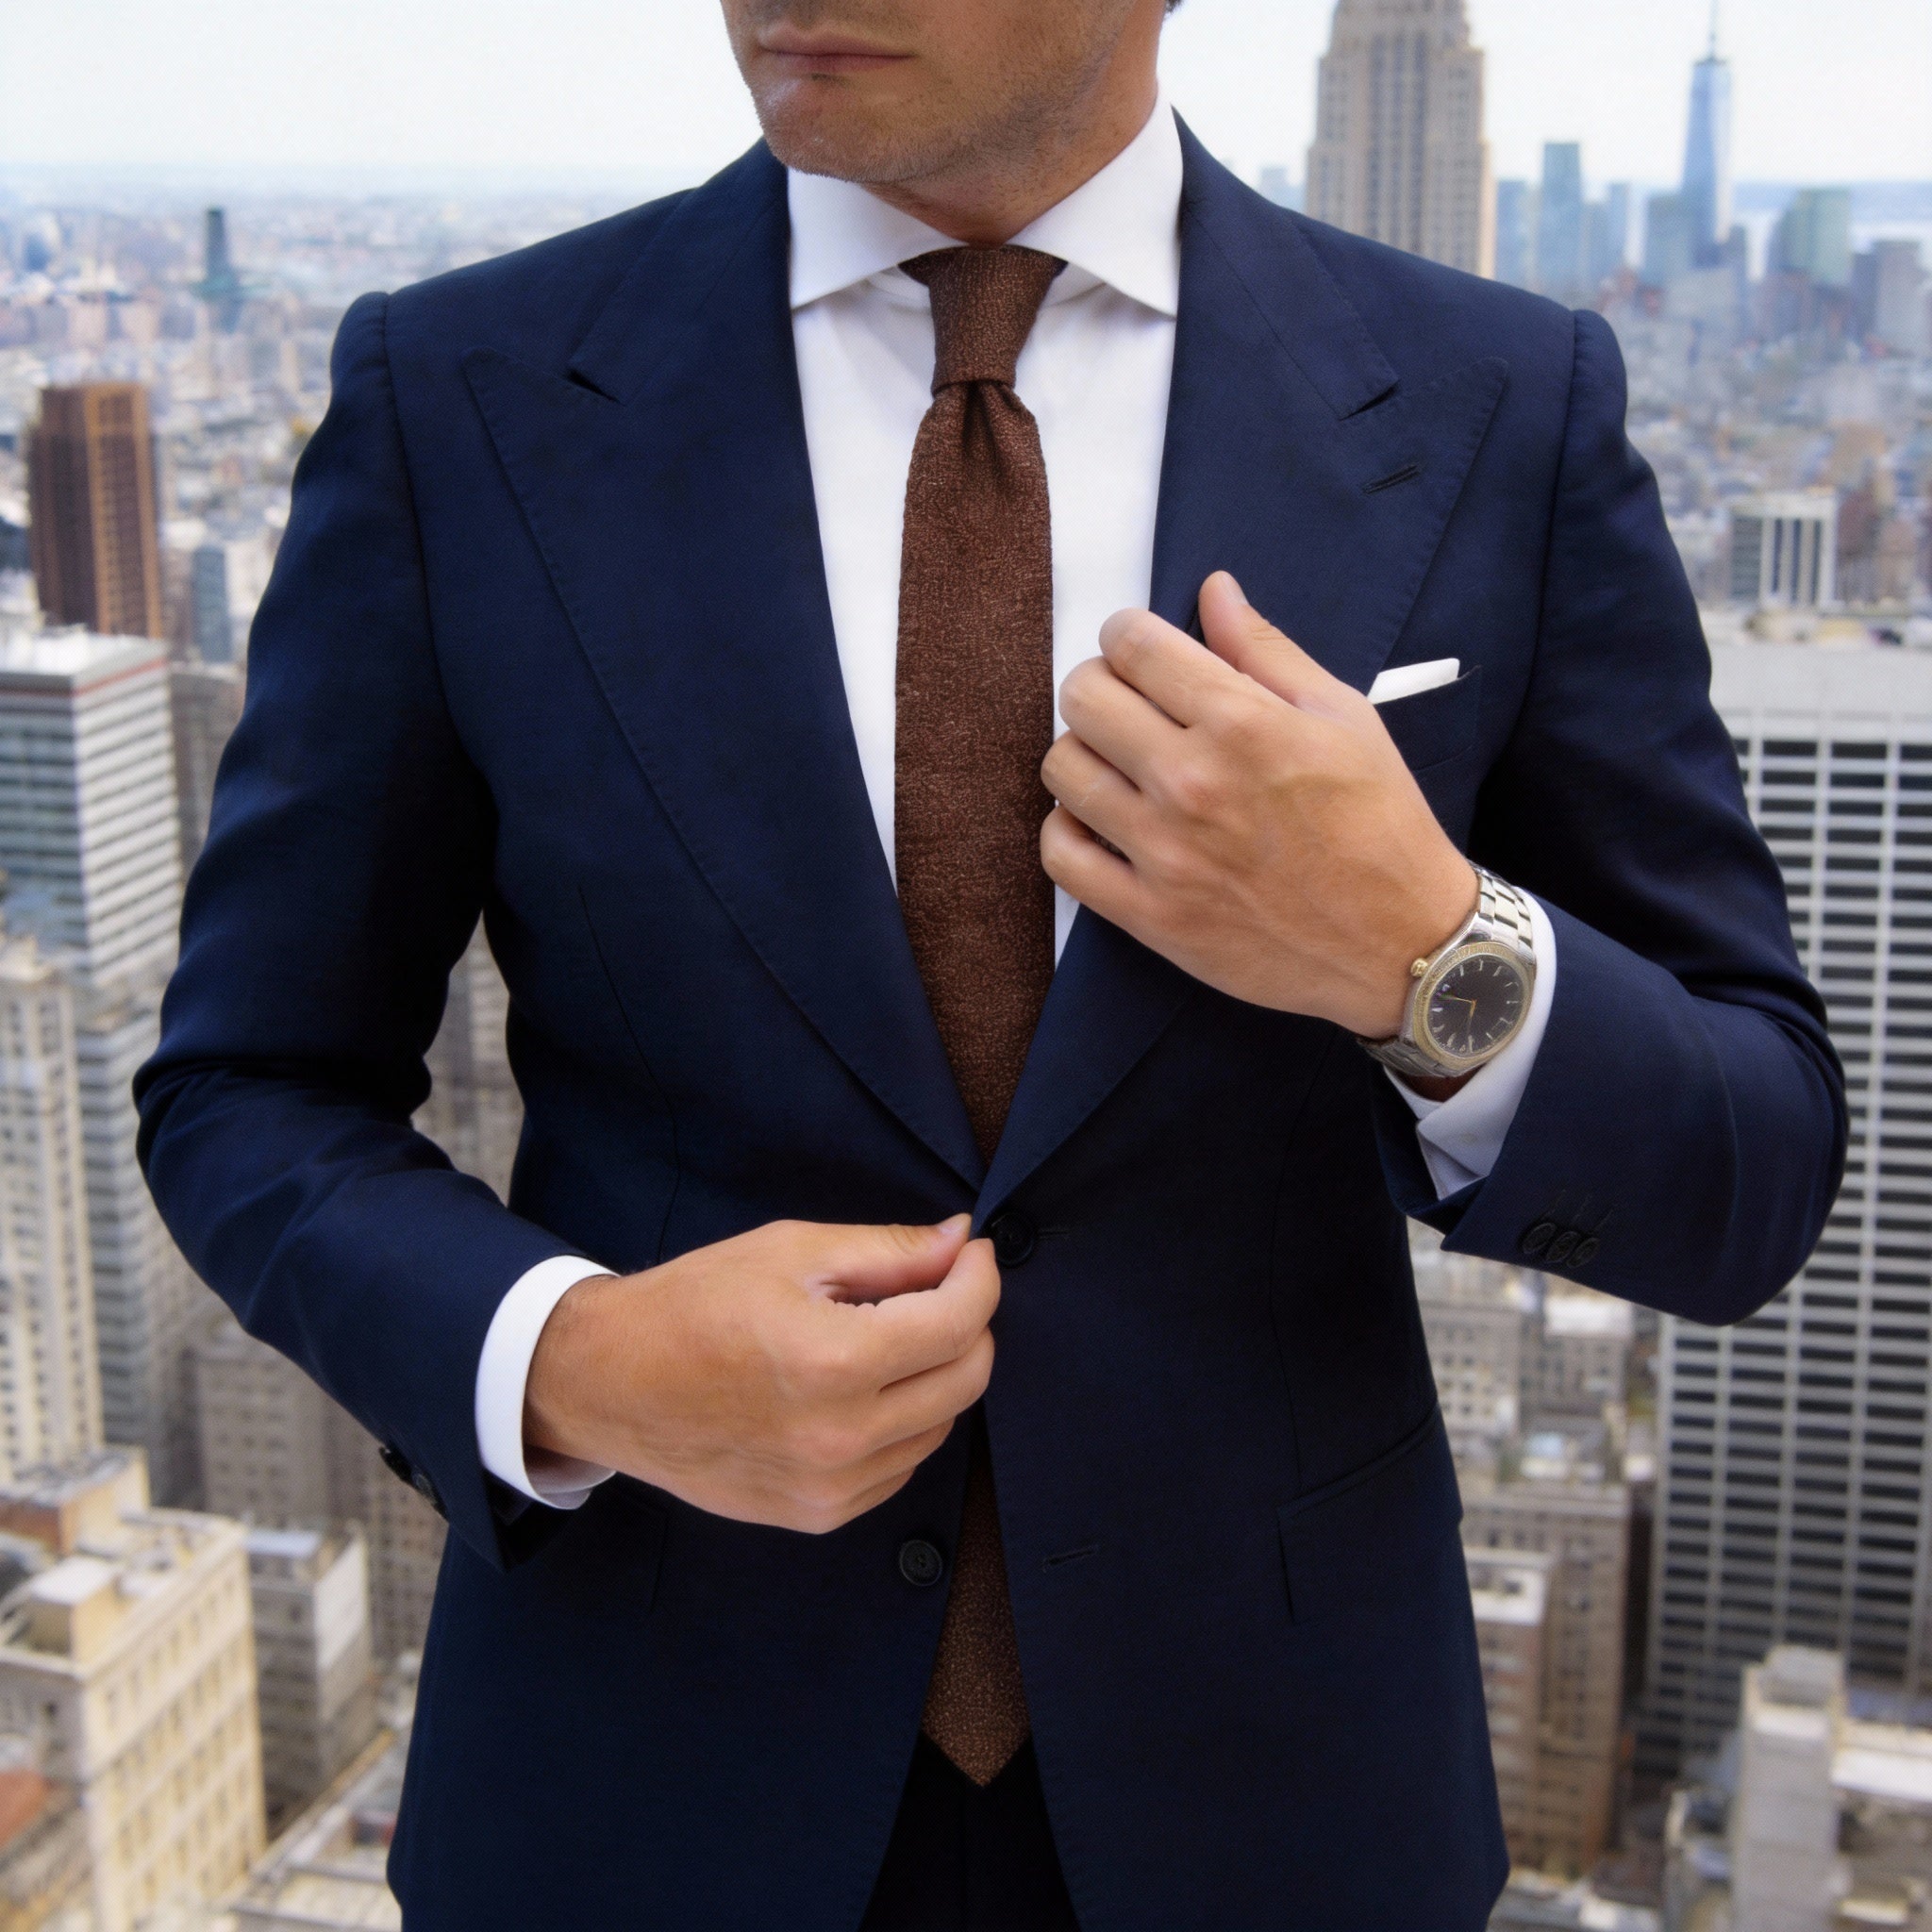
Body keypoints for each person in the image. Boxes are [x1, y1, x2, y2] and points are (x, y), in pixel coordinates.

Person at [137, 1, 1845, 1925]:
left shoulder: (1496, 407)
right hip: (639, 1793)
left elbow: (1753, 1164)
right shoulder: (462, 394)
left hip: (1279, 1809)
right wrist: (580, 1363)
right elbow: (247, 1087)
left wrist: (1421, 949)